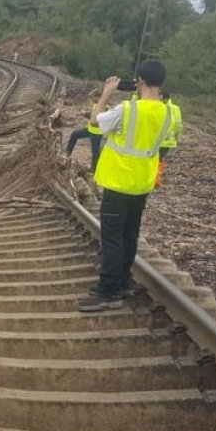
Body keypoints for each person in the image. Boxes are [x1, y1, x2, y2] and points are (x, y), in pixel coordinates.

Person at [77, 60, 179, 312]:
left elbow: (95, 121)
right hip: (142, 184)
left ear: (139, 81)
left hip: (119, 182)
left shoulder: (128, 109)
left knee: (112, 239)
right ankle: (122, 282)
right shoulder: (169, 112)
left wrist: (106, 94)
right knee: (129, 235)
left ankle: (109, 291)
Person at [64, 90, 104, 170]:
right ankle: (67, 153)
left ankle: (94, 169)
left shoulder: (104, 107)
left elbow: (98, 119)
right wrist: (85, 113)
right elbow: (93, 115)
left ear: (97, 97)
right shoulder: (96, 105)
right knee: (74, 134)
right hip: (90, 129)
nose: (91, 100)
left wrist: (86, 115)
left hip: (97, 132)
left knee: (95, 151)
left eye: (92, 97)